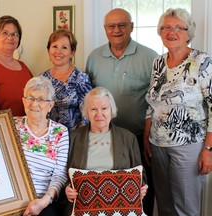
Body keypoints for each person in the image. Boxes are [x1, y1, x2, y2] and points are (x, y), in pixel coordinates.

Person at [85, 8, 158, 215]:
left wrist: (146, 137)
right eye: (111, 26)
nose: (116, 30)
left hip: (137, 138)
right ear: (105, 29)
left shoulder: (150, 57)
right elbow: (89, 97)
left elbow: (156, 102)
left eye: (122, 25)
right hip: (103, 138)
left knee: (142, 191)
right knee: (107, 194)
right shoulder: (94, 58)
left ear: (131, 27)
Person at [143, 8, 212, 216]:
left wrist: (208, 148)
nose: (171, 32)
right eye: (165, 27)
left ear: (188, 33)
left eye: (177, 28)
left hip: (188, 145)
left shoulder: (201, 61)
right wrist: (146, 138)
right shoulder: (158, 62)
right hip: (158, 144)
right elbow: (151, 103)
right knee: (164, 204)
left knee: (185, 207)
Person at [64, 87, 148, 215]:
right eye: (93, 109)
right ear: (87, 111)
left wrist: (142, 187)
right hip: (83, 209)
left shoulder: (128, 138)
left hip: (121, 211)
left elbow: (141, 175)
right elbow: (63, 174)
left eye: (104, 108)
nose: (99, 114)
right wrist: (67, 189)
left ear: (111, 110)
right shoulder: (73, 138)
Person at [14, 76, 69, 216]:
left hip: (43, 201)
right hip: (11, 199)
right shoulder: (11, 124)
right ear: (23, 101)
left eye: (41, 99)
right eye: (30, 98)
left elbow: (59, 174)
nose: (34, 104)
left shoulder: (60, 132)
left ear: (50, 105)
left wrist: (44, 201)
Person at [41, 29, 92, 130]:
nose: (58, 51)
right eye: (54, 46)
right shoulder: (42, 79)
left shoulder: (81, 78)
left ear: (72, 52)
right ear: (48, 50)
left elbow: (88, 114)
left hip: (74, 138)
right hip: (48, 139)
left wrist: (77, 140)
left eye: (64, 47)